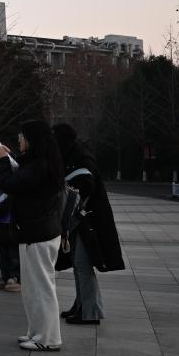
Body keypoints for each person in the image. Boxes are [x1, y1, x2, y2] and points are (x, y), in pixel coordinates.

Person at [0, 120, 65, 351]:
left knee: (42, 288)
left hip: (39, 235)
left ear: (32, 139)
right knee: (33, 289)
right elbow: (23, 172)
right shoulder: (40, 161)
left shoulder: (41, 165)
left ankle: (49, 339)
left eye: (22, 137)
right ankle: (36, 332)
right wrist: (9, 157)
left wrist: (4, 161)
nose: (19, 140)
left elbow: (10, 184)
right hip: (35, 233)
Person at [52, 123, 124, 325]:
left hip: (87, 221)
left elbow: (84, 187)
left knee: (83, 265)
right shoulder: (72, 155)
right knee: (78, 264)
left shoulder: (81, 158)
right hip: (80, 220)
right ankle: (81, 305)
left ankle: (90, 312)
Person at [0, 157, 20, 292]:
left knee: (14, 253)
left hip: (12, 224)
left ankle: (15, 276)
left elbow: (11, 202)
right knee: (0, 252)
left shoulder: (14, 185)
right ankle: (5, 274)